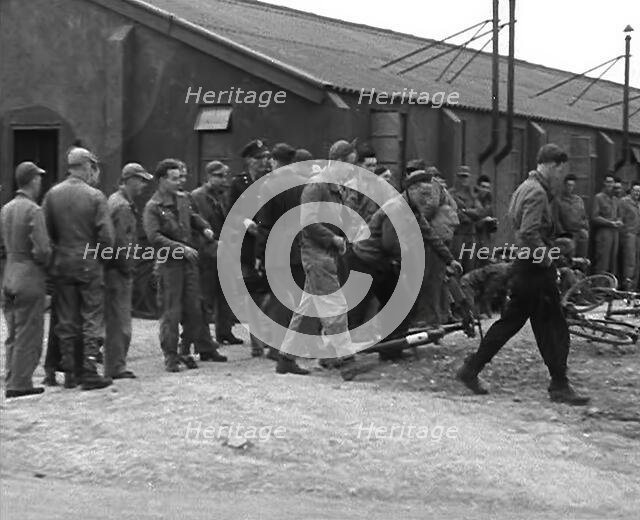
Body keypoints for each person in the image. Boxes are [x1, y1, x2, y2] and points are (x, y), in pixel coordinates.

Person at [456, 144, 590, 405]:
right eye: (562, 171)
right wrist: (547, 258)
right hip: (535, 271)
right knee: (553, 327)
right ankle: (559, 384)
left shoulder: (524, 187)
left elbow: (519, 226)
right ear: (554, 165)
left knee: (513, 323)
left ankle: (471, 369)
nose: (561, 177)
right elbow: (528, 233)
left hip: (525, 268)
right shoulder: (538, 192)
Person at [347, 170, 462, 359]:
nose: (427, 200)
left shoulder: (413, 210)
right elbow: (390, 243)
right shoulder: (395, 208)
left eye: (430, 194)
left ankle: (390, 350)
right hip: (365, 262)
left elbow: (430, 235)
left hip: (382, 263)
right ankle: (342, 354)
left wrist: (450, 259)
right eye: (423, 194)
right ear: (412, 190)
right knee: (356, 311)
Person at [143, 158, 225, 372]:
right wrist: (181, 249)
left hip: (189, 264)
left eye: (180, 177)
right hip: (170, 266)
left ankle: (185, 350)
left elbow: (193, 216)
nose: (179, 182)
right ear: (162, 180)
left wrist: (204, 228)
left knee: (194, 310)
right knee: (171, 312)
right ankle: (171, 357)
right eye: (174, 178)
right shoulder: (153, 207)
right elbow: (154, 237)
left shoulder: (183, 199)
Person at [43, 148, 114, 390]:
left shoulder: (52, 194)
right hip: (89, 264)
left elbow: (48, 233)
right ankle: (89, 369)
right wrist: (100, 259)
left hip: (62, 264)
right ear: (87, 166)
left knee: (65, 319)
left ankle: (70, 371)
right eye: (93, 168)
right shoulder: (95, 196)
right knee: (91, 317)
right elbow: (107, 238)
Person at [281, 139, 356, 365]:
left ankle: (285, 359)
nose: (353, 170)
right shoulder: (318, 185)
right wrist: (332, 238)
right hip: (317, 254)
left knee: (305, 310)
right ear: (339, 161)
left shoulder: (334, 188)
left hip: (326, 254)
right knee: (334, 307)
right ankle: (347, 361)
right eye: (351, 164)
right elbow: (308, 221)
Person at [255, 143, 312, 374]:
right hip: (297, 249)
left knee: (280, 300)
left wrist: (260, 253)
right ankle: (284, 352)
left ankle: (275, 347)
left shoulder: (269, 184)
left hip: (276, 249)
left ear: (275, 161)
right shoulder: (303, 184)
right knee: (295, 301)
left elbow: (264, 224)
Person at [1, 162, 51, 398]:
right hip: (29, 276)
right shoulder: (34, 210)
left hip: (9, 273)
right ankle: (20, 383)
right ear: (33, 181)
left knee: (12, 331)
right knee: (28, 331)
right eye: (39, 179)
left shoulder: (7, 208)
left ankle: (11, 376)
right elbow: (42, 249)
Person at [104, 163, 153, 380]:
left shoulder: (116, 201)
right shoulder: (123, 206)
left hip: (112, 269)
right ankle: (116, 366)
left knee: (115, 320)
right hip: (118, 272)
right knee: (120, 322)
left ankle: (115, 364)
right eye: (141, 180)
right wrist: (128, 267)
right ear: (129, 179)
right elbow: (122, 242)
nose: (143, 185)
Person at [190, 161, 242, 345]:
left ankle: (224, 331)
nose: (222, 180)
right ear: (208, 176)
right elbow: (194, 226)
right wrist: (209, 245)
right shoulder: (197, 197)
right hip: (207, 253)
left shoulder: (224, 196)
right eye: (218, 176)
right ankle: (203, 337)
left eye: (224, 176)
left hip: (226, 250)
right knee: (206, 297)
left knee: (226, 294)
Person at [228, 139, 272, 357]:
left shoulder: (268, 181)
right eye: (259, 159)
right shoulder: (239, 184)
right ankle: (257, 343)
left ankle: (265, 336)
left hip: (265, 244)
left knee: (269, 294)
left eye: (265, 158)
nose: (263, 162)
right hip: (247, 247)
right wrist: (247, 224)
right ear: (249, 161)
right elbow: (233, 213)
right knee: (252, 294)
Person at [450, 165, 483, 273]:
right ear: (457, 177)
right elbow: (454, 213)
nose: (464, 179)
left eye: (466, 177)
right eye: (461, 176)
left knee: (470, 267)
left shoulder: (472, 195)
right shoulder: (451, 194)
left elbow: (479, 212)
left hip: (471, 236)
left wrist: (464, 211)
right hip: (457, 235)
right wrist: (468, 213)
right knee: (457, 267)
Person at [551, 174, 589, 259]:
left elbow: (584, 216)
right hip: (567, 234)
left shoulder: (578, 200)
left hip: (580, 233)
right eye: (568, 185)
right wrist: (563, 234)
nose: (570, 188)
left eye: (572, 185)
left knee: (582, 258)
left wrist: (585, 227)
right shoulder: (558, 200)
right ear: (564, 185)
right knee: (569, 258)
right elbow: (556, 220)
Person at [591, 174, 623, 275]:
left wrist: (619, 221)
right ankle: (600, 287)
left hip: (615, 233)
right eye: (608, 182)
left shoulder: (615, 199)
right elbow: (594, 217)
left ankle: (610, 288)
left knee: (613, 262)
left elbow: (619, 215)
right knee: (602, 261)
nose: (610, 184)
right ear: (604, 183)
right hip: (604, 233)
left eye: (611, 182)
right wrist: (610, 223)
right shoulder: (598, 197)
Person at [618, 182, 640, 290]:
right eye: (635, 190)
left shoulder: (639, 203)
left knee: (637, 263)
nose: (637, 193)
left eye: (639, 191)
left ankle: (634, 289)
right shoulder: (624, 202)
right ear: (631, 190)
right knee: (629, 262)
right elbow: (620, 218)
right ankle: (627, 288)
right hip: (629, 234)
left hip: (638, 235)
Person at [474, 175, 498, 267]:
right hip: (473, 241)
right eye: (483, 187)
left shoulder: (489, 204)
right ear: (478, 187)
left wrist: (493, 223)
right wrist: (484, 221)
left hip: (485, 243)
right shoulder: (472, 201)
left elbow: (492, 230)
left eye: (488, 188)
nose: (485, 190)